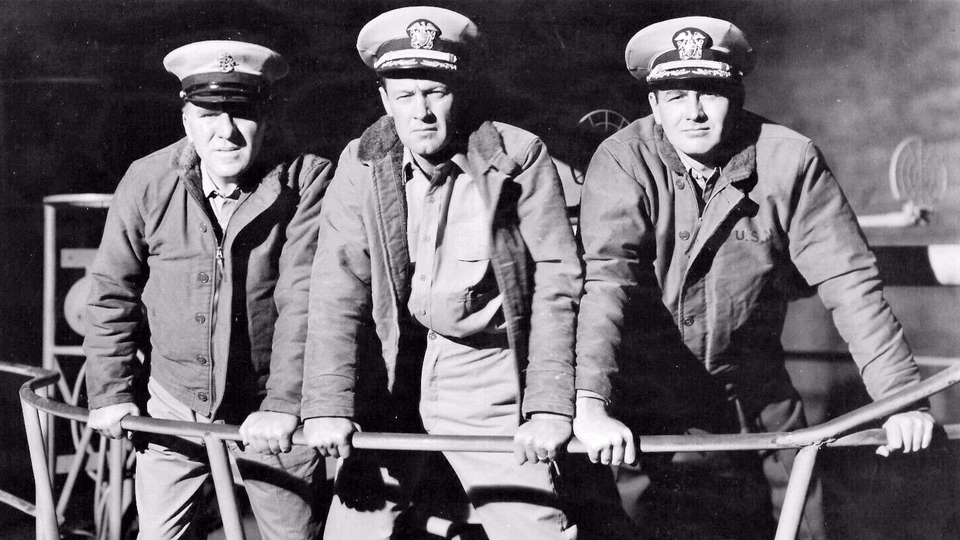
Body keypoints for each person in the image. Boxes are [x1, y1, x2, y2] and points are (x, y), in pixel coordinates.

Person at [573, 16, 936, 539]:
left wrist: (901, 401)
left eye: (711, 93)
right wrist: (591, 407)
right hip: (649, 400)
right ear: (653, 104)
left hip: (758, 392)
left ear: (737, 95)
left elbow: (850, 282)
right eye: (675, 96)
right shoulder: (623, 160)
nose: (694, 112)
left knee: (804, 523)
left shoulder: (789, 159)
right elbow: (608, 284)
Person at [298, 6, 582, 540]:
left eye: (435, 92)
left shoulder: (518, 157)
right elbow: (338, 286)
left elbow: (556, 283)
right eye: (405, 95)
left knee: (532, 528)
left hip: (487, 373)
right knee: (353, 531)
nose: (421, 112)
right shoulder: (361, 162)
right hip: (396, 370)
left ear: (460, 90)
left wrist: (548, 406)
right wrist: (328, 404)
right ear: (385, 99)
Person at [84, 40, 333, 539]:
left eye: (242, 113)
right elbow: (112, 289)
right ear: (186, 121)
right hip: (172, 404)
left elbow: (305, 302)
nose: (226, 131)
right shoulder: (147, 180)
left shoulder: (306, 180)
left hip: (269, 405)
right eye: (207, 115)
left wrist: (282, 405)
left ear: (266, 117)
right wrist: (110, 392)